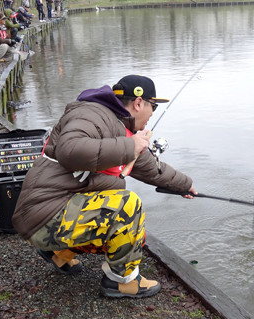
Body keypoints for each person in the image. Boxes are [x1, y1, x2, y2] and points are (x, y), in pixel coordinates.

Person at [12, 75, 197, 298]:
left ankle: (59, 253)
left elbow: (152, 170)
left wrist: (185, 185)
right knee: (127, 205)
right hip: (42, 216)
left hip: (51, 213)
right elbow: (70, 149)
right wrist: (130, 145)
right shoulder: (91, 113)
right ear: (139, 103)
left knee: (135, 233)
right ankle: (121, 282)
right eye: (153, 106)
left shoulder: (120, 128)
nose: (151, 114)